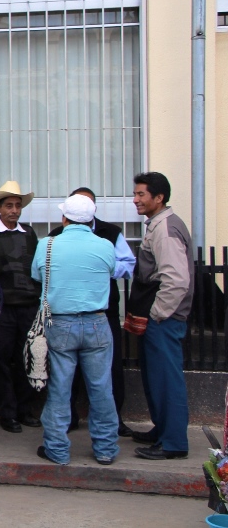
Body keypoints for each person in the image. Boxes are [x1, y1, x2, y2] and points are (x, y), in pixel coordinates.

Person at [32, 194, 119, 466]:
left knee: (59, 388)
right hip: (97, 322)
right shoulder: (105, 245)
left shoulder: (47, 245)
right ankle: (105, 448)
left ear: (64, 218)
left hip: (60, 323)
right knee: (101, 387)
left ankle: (57, 449)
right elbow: (113, 272)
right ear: (91, 219)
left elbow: (37, 276)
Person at [47, 187, 136, 436]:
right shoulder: (55, 237)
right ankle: (72, 421)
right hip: (65, 313)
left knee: (109, 373)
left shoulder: (110, 234)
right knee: (66, 377)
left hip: (101, 312)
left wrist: (99, 268)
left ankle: (113, 423)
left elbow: (127, 264)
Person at [129, 172, 194, 460]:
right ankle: (163, 431)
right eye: (136, 194)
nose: (136, 199)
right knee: (156, 377)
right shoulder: (158, 225)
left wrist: (157, 314)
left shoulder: (166, 228)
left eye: (142, 194)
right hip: (161, 319)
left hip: (164, 320)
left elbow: (177, 280)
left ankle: (174, 443)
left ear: (159, 198)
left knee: (167, 379)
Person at [0, 180, 42, 433]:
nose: (14, 210)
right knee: (2, 361)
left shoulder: (30, 234)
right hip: (2, 309)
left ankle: (25, 410)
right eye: (9, 206)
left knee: (26, 359)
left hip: (28, 306)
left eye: (17, 206)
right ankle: (8, 412)